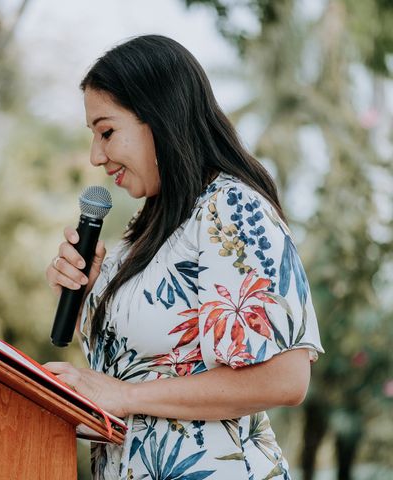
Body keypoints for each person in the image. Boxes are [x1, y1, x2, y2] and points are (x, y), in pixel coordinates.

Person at [44, 35, 324, 480]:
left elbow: (284, 379)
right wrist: (85, 297)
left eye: (107, 131)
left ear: (159, 117)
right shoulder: (147, 231)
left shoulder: (230, 209)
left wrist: (123, 396)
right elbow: (136, 374)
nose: (97, 156)